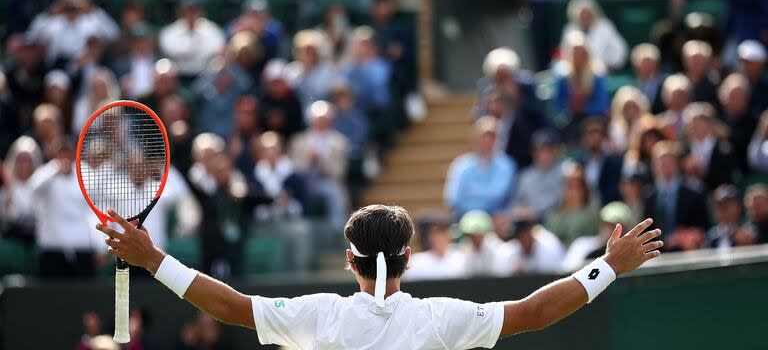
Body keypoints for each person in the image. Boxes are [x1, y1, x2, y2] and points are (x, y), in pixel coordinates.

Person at [97, 201, 662, 349]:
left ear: (350, 261)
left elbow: (231, 306)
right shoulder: (441, 321)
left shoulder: (320, 318)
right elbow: (536, 312)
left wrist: (153, 261)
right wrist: (607, 267)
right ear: (409, 260)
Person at [30, 137, 101, 277]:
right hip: (52, 246)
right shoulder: (46, 171)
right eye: (61, 153)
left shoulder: (85, 173)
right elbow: (33, 189)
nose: (65, 157)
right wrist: (55, 171)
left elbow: (97, 206)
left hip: (82, 245)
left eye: (67, 153)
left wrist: (100, 246)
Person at [289, 101, 350, 226]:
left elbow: (339, 173)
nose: (321, 122)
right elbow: (294, 170)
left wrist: (320, 159)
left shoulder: (339, 142)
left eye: (325, 119)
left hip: (326, 182)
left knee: (334, 191)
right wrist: (309, 162)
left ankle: (337, 230)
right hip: (304, 183)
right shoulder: (299, 141)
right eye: (318, 119)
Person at [444, 116, 517, 218]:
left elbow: (498, 194)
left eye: (492, 136)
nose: (487, 140)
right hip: (464, 218)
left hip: (496, 219)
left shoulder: (506, 165)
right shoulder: (461, 164)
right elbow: (453, 198)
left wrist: (469, 191)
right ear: (475, 137)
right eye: (484, 136)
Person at [644, 141, 708, 251]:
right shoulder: (649, 195)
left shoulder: (694, 191)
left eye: (668, 162)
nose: (665, 167)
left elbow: (703, 226)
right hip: (659, 253)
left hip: (688, 251)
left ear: (677, 164)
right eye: (661, 163)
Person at [159, 0, 226, 82]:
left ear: (201, 12)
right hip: (177, 77)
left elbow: (216, 51)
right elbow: (170, 51)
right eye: (187, 10)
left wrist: (187, 51)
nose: (191, 14)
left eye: (194, 10)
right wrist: (195, 50)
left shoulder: (213, 30)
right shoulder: (170, 32)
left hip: (205, 77)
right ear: (181, 12)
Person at [553, 31, 610, 126]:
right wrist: (570, 108)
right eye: (574, 53)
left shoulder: (597, 74)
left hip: (594, 121)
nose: (578, 56)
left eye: (581, 53)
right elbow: (557, 105)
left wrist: (583, 108)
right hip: (571, 121)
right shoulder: (563, 76)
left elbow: (601, 104)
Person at [560, 201, 635, 272]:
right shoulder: (581, 245)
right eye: (608, 224)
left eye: (619, 227)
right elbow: (565, 273)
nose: (613, 230)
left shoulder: (632, 254)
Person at [559, 0, 628, 71]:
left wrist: (609, 64)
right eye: (582, 14)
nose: (585, 16)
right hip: (576, 74)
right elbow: (564, 53)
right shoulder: (570, 29)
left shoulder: (605, 27)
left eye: (587, 13)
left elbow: (620, 50)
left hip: (600, 72)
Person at [682, 102, 737, 191]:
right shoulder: (684, 149)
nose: (694, 126)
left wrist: (703, 172)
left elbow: (727, 176)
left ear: (709, 123)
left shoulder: (723, 147)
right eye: (691, 123)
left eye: (699, 122)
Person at [544, 161, 600, 247]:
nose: (573, 191)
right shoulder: (555, 214)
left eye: (577, 186)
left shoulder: (592, 212)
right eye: (569, 185)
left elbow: (598, 239)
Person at [493, 209, 565, 275]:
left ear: (530, 232)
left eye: (524, 234)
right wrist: (513, 273)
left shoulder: (549, 245)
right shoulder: (509, 250)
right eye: (518, 236)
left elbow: (553, 276)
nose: (522, 239)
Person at [404, 213, 465, 280]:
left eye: (442, 233)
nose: (439, 238)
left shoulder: (461, 259)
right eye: (435, 233)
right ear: (429, 237)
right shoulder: (416, 261)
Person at [707, 184, 756, 248]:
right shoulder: (711, 236)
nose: (722, 209)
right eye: (719, 205)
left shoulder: (750, 231)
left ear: (738, 206)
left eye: (727, 205)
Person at [457, 210, 502, 277]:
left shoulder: (496, 248)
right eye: (472, 235)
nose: (476, 238)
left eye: (479, 234)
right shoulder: (462, 253)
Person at [609, 86, 651, 153]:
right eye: (626, 108)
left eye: (633, 107)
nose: (631, 111)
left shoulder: (649, 125)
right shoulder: (616, 129)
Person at [681, 39, 719, 106]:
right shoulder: (677, 84)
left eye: (701, 61)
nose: (698, 65)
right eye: (694, 61)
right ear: (685, 61)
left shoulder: (713, 86)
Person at [631, 43, 666, 114]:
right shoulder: (633, 86)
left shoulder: (666, 83)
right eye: (644, 62)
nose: (647, 65)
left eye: (650, 61)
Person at [736, 39, 768, 112]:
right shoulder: (732, 84)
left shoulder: (765, 91)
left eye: (750, 62)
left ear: (760, 64)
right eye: (742, 61)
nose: (744, 65)